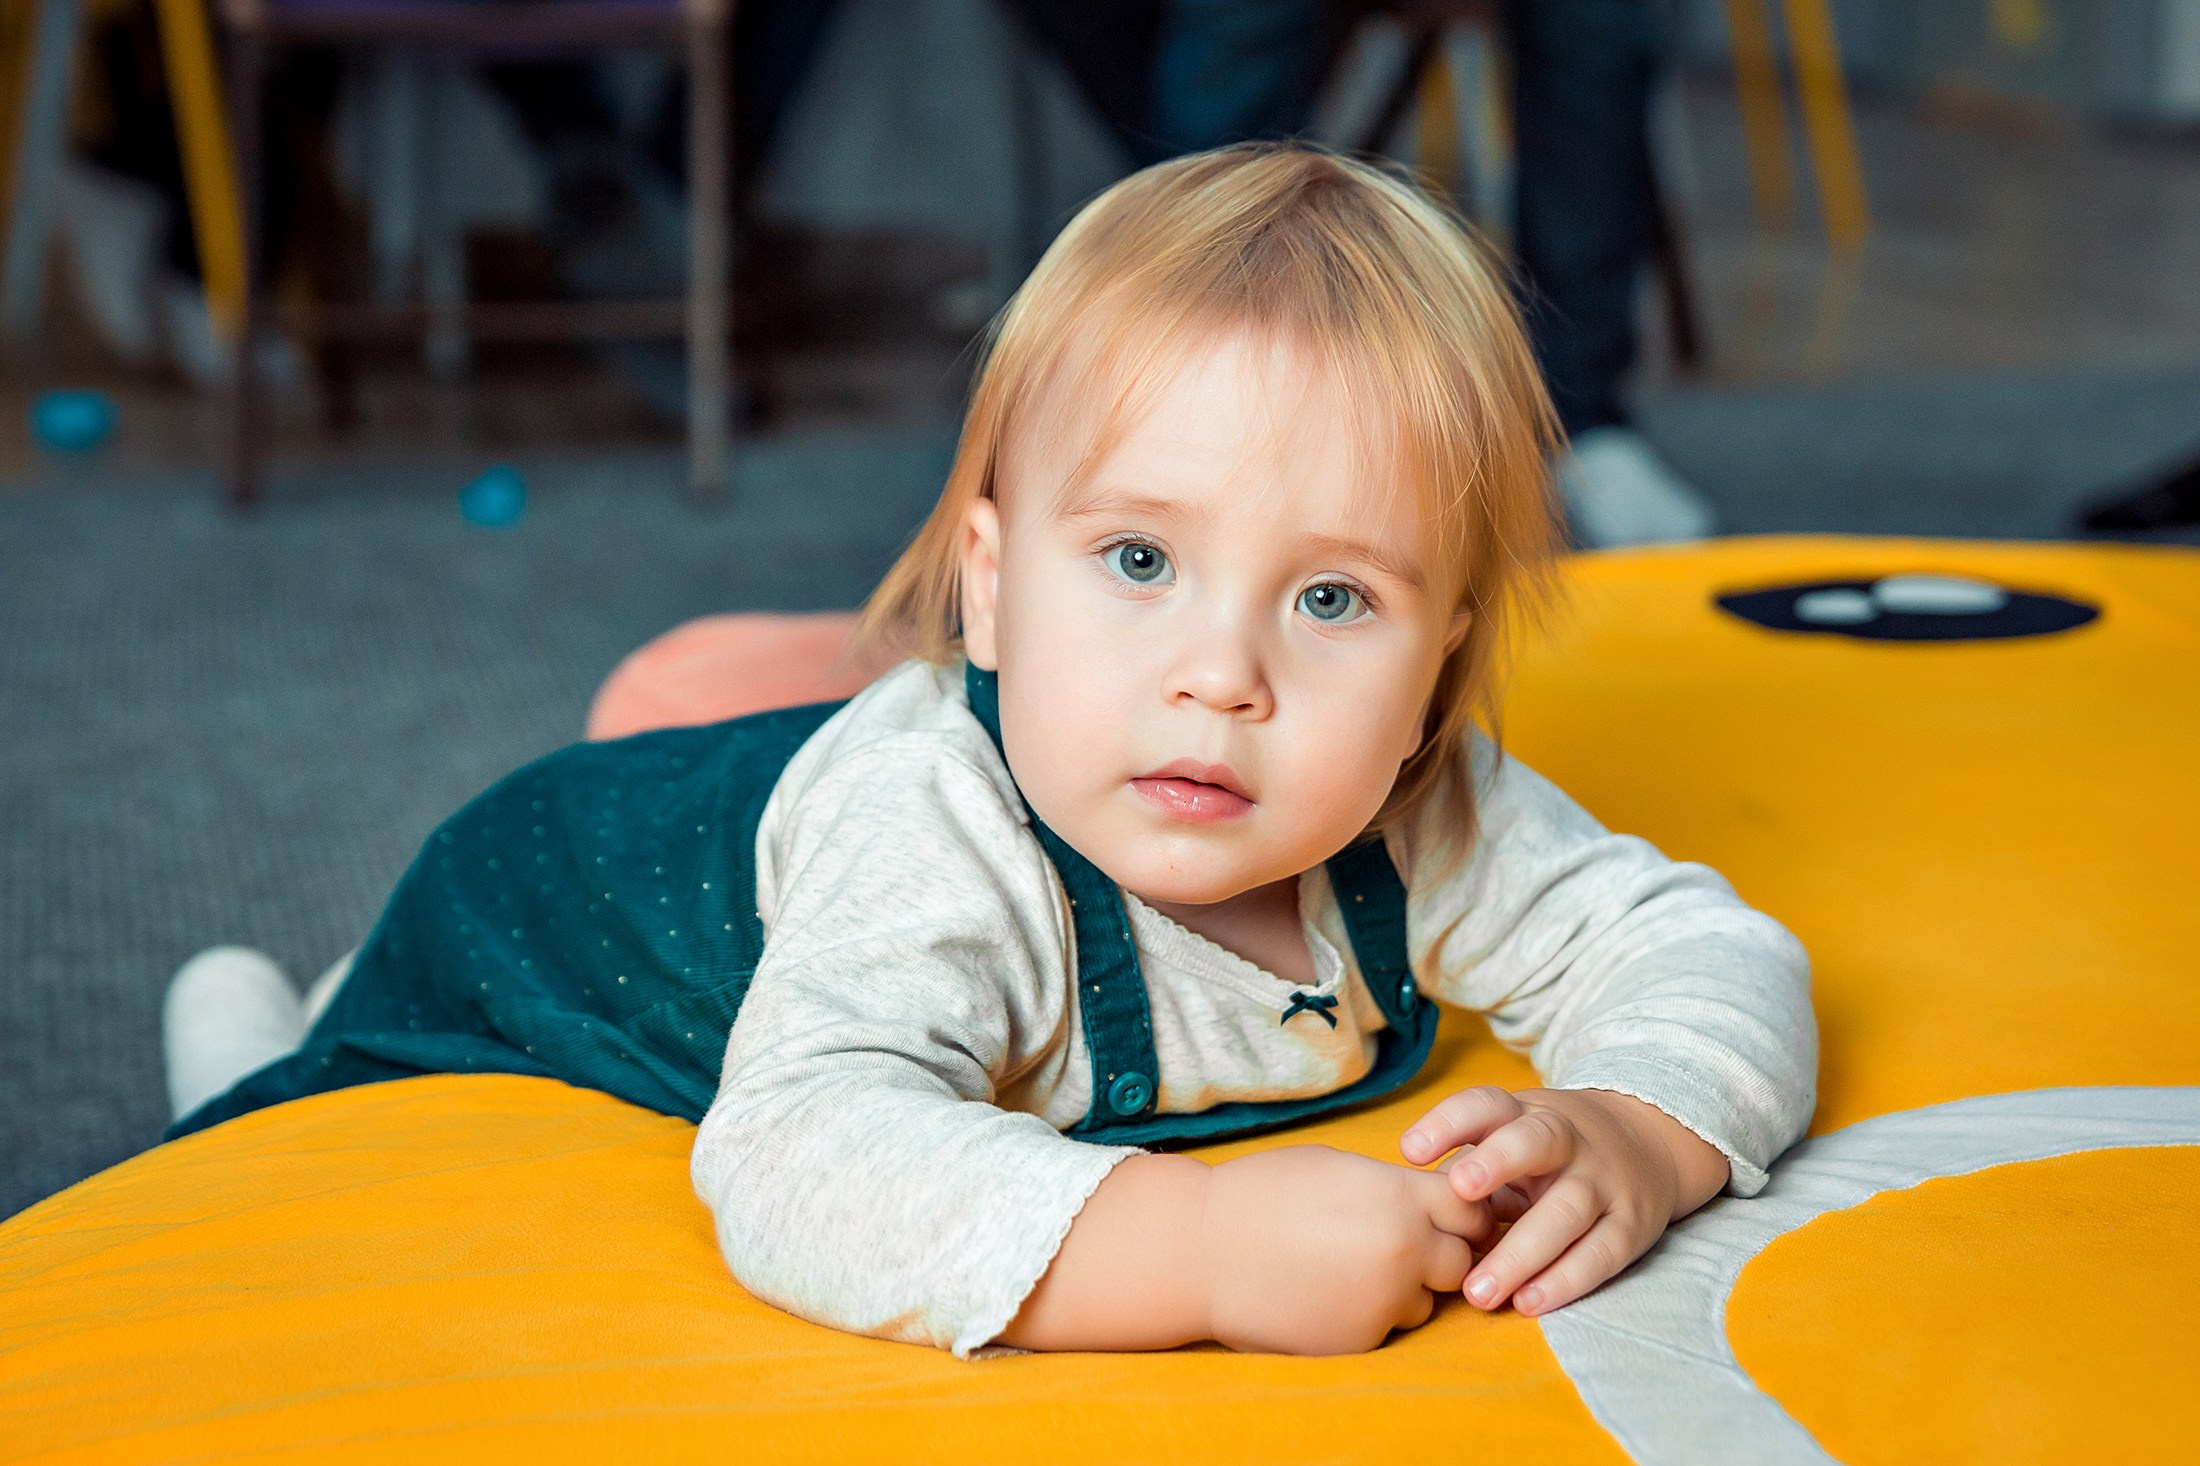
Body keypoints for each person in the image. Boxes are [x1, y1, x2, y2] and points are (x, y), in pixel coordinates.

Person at [163, 143, 1814, 1358]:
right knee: (294, 1147)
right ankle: (259, 1031)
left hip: (749, 821)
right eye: (1142, 562)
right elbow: (797, 1148)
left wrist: (1638, 1129)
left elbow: (1701, 948)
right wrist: (1199, 1245)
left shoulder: (1419, 803)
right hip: (536, 917)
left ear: (1442, 649)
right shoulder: (939, 838)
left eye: (1330, 596)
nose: (1220, 677)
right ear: (994, 586)